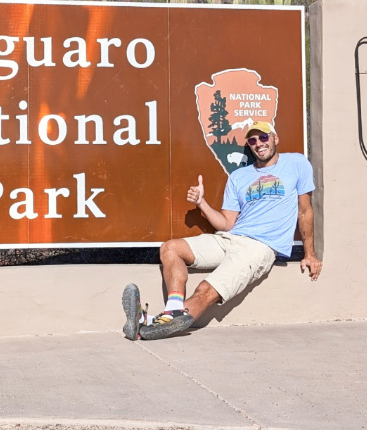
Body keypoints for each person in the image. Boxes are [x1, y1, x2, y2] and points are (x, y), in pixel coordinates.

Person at [122, 120, 320, 341]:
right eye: (253, 140)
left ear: (275, 138)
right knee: (171, 248)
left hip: (259, 247)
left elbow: (305, 211)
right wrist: (202, 203)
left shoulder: (297, 163)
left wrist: (309, 254)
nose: (259, 144)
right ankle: (165, 313)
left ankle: (146, 324)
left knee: (205, 291)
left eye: (264, 137)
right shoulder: (239, 177)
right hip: (229, 238)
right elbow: (227, 223)